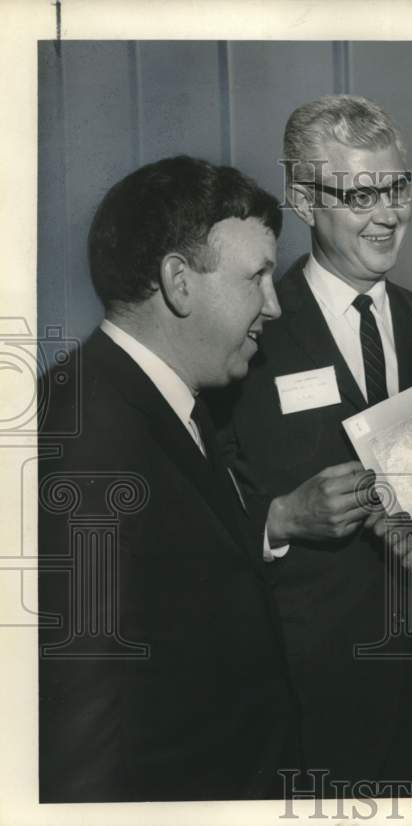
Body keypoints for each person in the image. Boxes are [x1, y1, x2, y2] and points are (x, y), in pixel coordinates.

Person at [218, 95, 412, 794]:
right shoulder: (247, 336)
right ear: (304, 200)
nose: (389, 214)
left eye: (398, 188)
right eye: (363, 195)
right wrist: (279, 519)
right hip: (304, 717)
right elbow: (192, 526)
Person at [37, 156, 298, 801]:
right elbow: (83, 735)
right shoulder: (82, 440)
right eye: (257, 277)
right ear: (179, 282)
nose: (274, 306)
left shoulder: (170, 404)